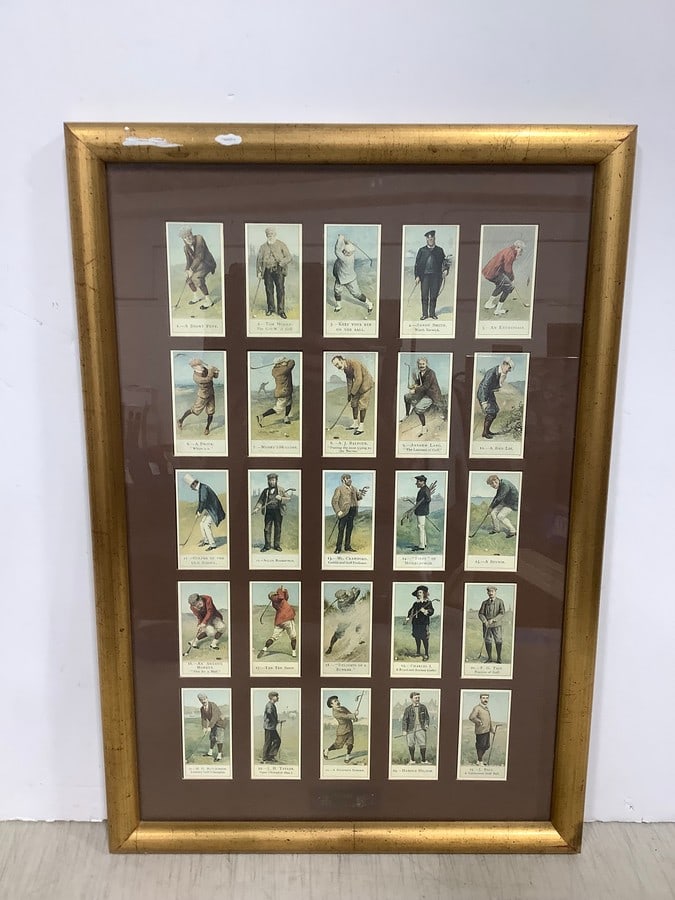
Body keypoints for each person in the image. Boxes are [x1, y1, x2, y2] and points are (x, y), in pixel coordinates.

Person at [331, 355, 375, 436]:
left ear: (341, 360)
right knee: (353, 403)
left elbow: (359, 379)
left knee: (362, 404)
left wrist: (353, 392)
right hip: (357, 386)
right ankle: (355, 424)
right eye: (335, 366)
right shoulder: (345, 369)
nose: (337, 367)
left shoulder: (355, 363)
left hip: (366, 384)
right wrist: (349, 394)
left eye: (337, 364)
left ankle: (361, 427)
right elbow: (349, 382)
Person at [332, 233, 374, 315]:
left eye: (346, 252)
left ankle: (369, 304)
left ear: (350, 253)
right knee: (337, 291)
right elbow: (346, 246)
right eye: (344, 251)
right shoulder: (350, 253)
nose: (344, 252)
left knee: (357, 294)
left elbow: (337, 250)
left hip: (350, 280)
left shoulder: (345, 259)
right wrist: (346, 241)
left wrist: (341, 238)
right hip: (340, 278)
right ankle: (338, 306)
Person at [402, 356, 444, 438]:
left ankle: (424, 428)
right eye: (420, 364)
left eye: (423, 364)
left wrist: (415, 390)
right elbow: (420, 383)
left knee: (418, 409)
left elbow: (426, 386)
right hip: (424, 392)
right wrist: (414, 383)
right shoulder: (420, 373)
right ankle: (407, 415)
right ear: (418, 364)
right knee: (406, 397)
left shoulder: (431, 373)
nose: (421, 366)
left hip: (431, 394)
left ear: (426, 364)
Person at [481, 239, 525, 316]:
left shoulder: (508, 250)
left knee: (501, 285)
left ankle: (488, 303)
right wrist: (511, 279)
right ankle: (497, 310)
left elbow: (506, 267)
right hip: (494, 272)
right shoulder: (510, 254)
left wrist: (510, 278)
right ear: (517, 247)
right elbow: (507, 268)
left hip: (491, 271)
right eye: (520, 250)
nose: (520, 252)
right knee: (508, 287)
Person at [177, 358, 220, 436]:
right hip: (202, 396)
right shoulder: (196, 377)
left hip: (211, 394)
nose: (202, 366)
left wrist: (216, 372)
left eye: (201, 364)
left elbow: (215, 376)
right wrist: (211, 370)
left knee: (211, 412)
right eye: (200, 365)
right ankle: (180, 420)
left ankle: (207, 428)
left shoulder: (205, 369)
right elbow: (207, 379)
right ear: (194, 367)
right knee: (194, 411)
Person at [256, 227, 293, 319]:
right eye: (268, 234)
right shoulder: (263, 247)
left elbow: (289, 257)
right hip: (267, 271)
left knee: (280, 290)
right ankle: (271, 309)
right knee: (269, 290)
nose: (270, 236)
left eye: (272, 234)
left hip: (279, 270)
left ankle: (281, 311)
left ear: (275, 234)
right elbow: (259, 260)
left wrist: (282, 262)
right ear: (266, 235)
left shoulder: (281, 244)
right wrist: (259, 272)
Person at [413, 230, 451, 320]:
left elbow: (445, 262)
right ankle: (425, 314)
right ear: (426, 239)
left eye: (432, 238)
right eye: (429, 239)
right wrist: (417, 276)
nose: (430, 240)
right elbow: (417, 264)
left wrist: (446, 270)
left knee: (433, 296)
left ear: (434, 239)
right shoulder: (422, 250)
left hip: (436, 277)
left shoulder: (439, 250)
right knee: (424, 296)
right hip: (424, 277)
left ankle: (432, 314)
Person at [183, 473, 226, 551]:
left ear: (194, 484)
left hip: (214, 510)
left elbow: (203, 501)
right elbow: (201, 502)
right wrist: (197, 511)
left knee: (206, 525)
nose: (192, 489)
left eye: (191, 487)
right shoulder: (201, 487)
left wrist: (199, 512)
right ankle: (206, 540)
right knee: (201, 524)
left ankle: (213, 545)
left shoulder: (203, 488)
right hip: (210, 509)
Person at [178, 225, 217, 310]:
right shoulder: (186, 248)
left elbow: (200, 256)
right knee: (188, 279)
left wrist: (191, 270)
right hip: (197, 264)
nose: (188, 238)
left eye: (189, 235)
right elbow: (189, 261)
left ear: (191, 234)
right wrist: (187, 270)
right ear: (183, 239)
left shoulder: (199, 238)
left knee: (196, 277)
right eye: (185, 237)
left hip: (207, 263)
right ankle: (196, 297)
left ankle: (209, 301)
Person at [252, 473, 292, 552]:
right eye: (270, 480)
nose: (272, 482)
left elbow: (288, 499)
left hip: (278, 512)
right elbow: (261, 500)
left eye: (273, 480)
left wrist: (281, 498)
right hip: (268, 512)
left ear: (276, 480)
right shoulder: (266, 491)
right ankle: (267, 546)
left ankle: (277, 546)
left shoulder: (281, 489)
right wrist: (257, 508)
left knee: (278, 528)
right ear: (268, 481)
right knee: (267, 529)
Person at [331, 474, 369, 554]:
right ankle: (338, 548)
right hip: (344, 512)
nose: (349, 480)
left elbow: (358, 498)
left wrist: (360, 494)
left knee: (349, 529)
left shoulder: (354, 488)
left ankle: (347, 546)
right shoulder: (339, 489)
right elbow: (334, 501)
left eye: (350, 478)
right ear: (343, 480)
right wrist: (338, 511)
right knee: (341, 530)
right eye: (347, 478)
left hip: (352, 511)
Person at [476, 357, 514, 439]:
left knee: (495, 410)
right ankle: (485, 433)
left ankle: (487, 430)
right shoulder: (492, 372)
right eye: (509, 368)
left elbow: (495, 384)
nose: (509, 371)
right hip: (484, 394)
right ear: (504, 364)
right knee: (491, 412)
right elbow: (484, 386)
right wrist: (484, 402)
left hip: (490, 393)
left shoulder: (501, 373)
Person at [257, 585, 297, 659]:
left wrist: (284, 591)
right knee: (293, 637)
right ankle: (294, 652)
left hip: (279, 621)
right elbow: (281, 597)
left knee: (273, 637)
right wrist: (279, 590)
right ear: (274, 595)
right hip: (287, 619)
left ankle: (264, 648)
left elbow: (285, 598)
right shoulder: (277, 598)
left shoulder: (274, 602)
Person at [256, 357, 295, 428]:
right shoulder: (285, 369)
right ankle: (261, 416)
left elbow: (279, 366)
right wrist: (286, 361)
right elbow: (292, 362)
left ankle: (286, 418)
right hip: (284, 392)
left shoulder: (274, 370)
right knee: (278, 408)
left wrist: (279, 364)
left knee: (289, 403)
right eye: (284, 361)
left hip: (283, 391)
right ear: (281, 363)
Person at [324, 586, 362, 656]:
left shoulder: (339, 603)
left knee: (358, 625)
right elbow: (358, 592)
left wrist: (350, 592)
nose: (345, 594)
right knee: (357, 626)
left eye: (345, 594)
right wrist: (353, 590)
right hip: (348, 618)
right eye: (344, 594)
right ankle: (330, 647)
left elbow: (352, 596)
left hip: (348, 618)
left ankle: (330, 647)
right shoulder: (348, 600)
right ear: (342, 597)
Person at [324, 695, 358, 763]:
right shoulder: (335, 713)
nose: (338, 702)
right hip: (342, 731)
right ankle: (326, 750)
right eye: (335, 701)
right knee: (338, 746)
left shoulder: (343, 708)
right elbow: (345, 716)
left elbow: (349, 714)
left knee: (350, 744)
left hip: (350, 729)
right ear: (331, 704)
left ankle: (347, 756)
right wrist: (354, 715)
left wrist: (354, 718)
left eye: (337, 700)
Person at [401, 474, 432, 552]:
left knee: (420, 527)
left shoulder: (425, 490)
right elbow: (424, 499)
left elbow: (428, 499)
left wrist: (419, 504)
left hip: (422, 511)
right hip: (421, 510)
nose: (416, 483)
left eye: (418, 482)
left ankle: (421, 546)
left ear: (422, 482)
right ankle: (424, 543)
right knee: (422, 527)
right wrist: (418, 503)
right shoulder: (424, 489)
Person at [405, 585, 435, 660]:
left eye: (420, 592)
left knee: (424, 638)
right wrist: (408, 618)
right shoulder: (415, 603)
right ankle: (418, 652)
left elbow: (431, 611)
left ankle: (426, 654)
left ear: (424, 593)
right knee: (417, 637)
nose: (419, 594)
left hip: (424, 623)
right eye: (418, 593)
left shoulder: (428, 602)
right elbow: (410, 611)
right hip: (416, 623)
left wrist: (425, 611)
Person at [478, 585, 506, 664]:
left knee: (498, 640)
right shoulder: (484, 603)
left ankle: (499, 658)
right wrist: (484, 621)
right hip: (487, 626)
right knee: (488, 641)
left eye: (492, 591)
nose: (490, 593)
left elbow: (502, 613)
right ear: (487, 593)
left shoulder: (500, 602)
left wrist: (493, 620)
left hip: (497, 626)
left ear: (495, 592)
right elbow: (480, 613)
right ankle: (489, 658)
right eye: (489, 592)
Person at [401, 691, 431, 765]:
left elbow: (427, 718)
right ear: (412, 699)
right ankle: (412, 760)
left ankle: (423, 760)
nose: (417, 699)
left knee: (423, 743)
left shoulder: (423, 707)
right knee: (411, 744)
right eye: (416, 698)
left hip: (421, 728)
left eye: (418, 697)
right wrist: (404, 730)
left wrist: (426, 724)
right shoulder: (408, 709)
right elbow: (404, 720)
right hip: (410, 729)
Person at [197, 692, 227, 762]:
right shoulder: (202, 709)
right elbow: (204, 719)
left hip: (220, 723)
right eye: (201, 700)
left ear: (207, 698)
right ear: (200, 701)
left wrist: (209, 727)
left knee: (219, 738)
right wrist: (204, 727)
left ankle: (219, 755)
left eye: (204, 699)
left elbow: (215, 717)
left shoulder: (213, 705)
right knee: (212, 737)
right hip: (213, 724)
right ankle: (210, 752)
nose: (203, 701)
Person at [468, 693, 495, 766]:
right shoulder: (477, 708)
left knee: (487, 746)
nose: (485, 699)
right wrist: (479, 722)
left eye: (486, 698)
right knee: (481, 746)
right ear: (480, 699)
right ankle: (480, 761)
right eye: (483, 698)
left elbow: (489, 720)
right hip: (480, 730)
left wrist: (492, 729)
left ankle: (478, 760)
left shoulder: (486, 709)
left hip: (487, 730)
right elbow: (471, 717)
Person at [261, 691, 284, 763]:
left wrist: (277, 721)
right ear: (272, 697)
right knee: (269, 742)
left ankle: (270, 756)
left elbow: (271, 715)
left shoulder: (272, 705)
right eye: (276, 696)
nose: (278, 698)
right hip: (269, 727)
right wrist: (275, 721)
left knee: (276, 740)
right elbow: (269, 714)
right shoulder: (269, 705)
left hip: (271, 727)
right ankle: (265, 757)